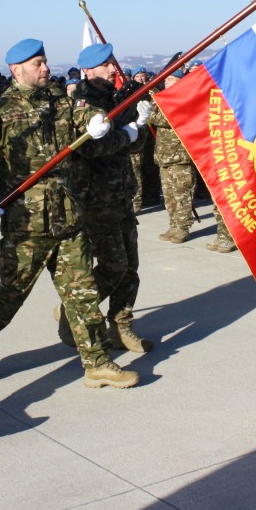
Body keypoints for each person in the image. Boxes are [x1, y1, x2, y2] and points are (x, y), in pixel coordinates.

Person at [0, 38, 139, 389]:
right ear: (16, 69)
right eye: (38, 64)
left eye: (46, 61)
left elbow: (82, 112)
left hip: (67, 217)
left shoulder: (58, 101)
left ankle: (96, 362)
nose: (46, 68)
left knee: (81, 293)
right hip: (26, 223)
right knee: (12, 293)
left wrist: (97, 120)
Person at [67, 42, 154, 352]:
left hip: (121, 194)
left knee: (130, 266)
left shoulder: (114, 98)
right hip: (94, 198)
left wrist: (139, 127)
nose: (112, 69)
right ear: (88, 70)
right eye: (105, 65)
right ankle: (75, 310)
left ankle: (122, 326)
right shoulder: (81, 104)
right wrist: (126, 132)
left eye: (112, 63)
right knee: (113, 265)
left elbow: (132, 147)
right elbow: (89, 147)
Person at [149, 70, 197, 243]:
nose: (166, 82)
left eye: (170, 79)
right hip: (164, 156)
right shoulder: (164, 98)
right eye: (166, 79)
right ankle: (173, 225)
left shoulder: (183, 98)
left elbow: (166, 119)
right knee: (169, 196)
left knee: (182, 195)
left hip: (180, 157)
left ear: (179, 81)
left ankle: (183, 227)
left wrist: (149, 113)